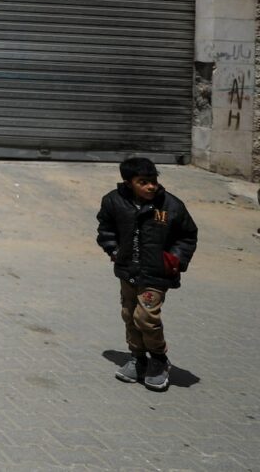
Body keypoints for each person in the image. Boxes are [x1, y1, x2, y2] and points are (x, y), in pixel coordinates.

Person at [96, 156, 198, 392]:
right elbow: (106, 228)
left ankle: (159, 360)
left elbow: (188, 235)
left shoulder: (171, 206)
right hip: (128, 271)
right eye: (143, 182)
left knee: (146, 317)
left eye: (153, 181)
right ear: (129, 183)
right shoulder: (114, 201)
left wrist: (174, 260)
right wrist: (114, 250)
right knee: (129, 315)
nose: (151, 187)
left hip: (156, 274)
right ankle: (138, 358)